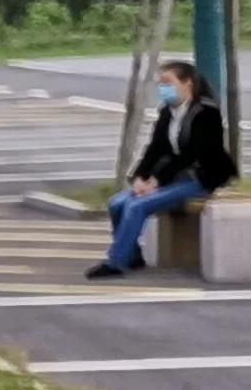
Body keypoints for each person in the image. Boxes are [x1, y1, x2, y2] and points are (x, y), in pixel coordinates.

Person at [92, 57, 235, 276]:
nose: (163, 89)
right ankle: (132, 255)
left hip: (200, 178)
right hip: (175, 177)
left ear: (187, 83)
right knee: (117, 203)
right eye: (160, 85)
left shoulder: (207, 113)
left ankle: (115, 262)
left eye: (168, 83)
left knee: (136, 206)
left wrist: (156, 181)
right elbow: (155, 148)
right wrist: (140, 177)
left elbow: (191, 155)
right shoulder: (167, 112)